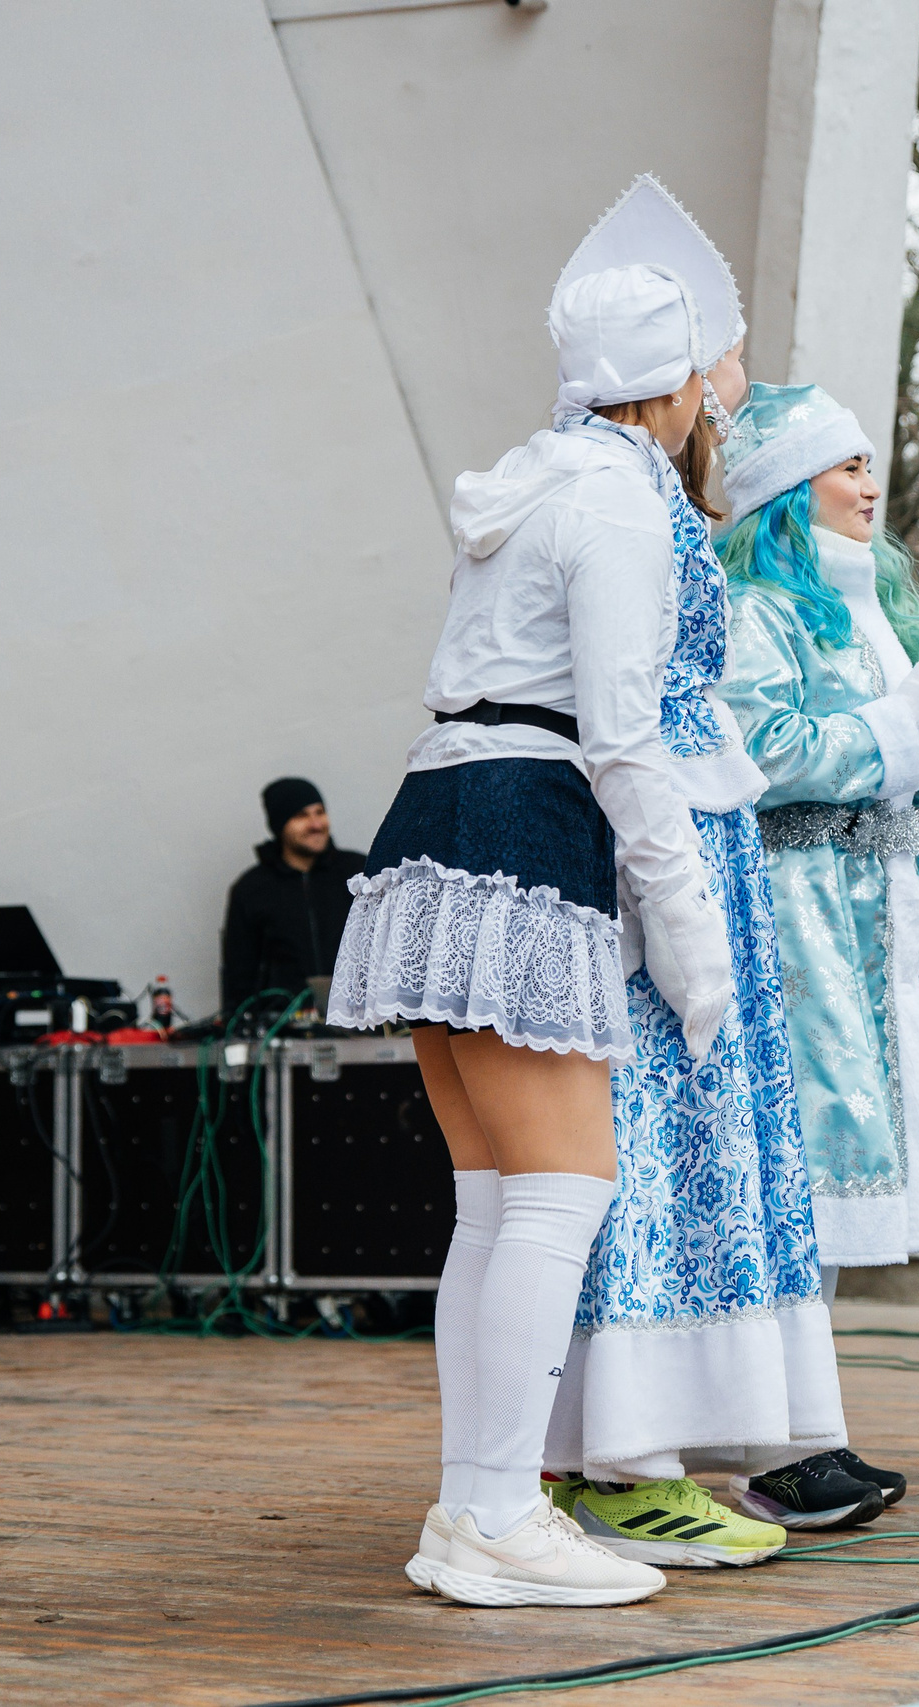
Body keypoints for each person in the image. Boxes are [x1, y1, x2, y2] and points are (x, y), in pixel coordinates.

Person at [327, 233, 749, 1605]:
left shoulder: (529, 484)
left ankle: (475, 1510)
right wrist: (694, 948)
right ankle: (497, 1510)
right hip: (525, 814)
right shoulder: (622, 504)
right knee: (558, 1192)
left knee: (499, 1202)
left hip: (437, 807)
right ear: (669, 380)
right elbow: (624, 736)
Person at [534, 179, 868, 1565]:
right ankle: (620, 1456)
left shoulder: (645, 498)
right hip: (661, 855)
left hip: (697, 843)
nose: (718, 399)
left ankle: (644, 1449)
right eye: (702, 374)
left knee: (707, 1149)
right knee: (657, 1150)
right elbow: (625, 722)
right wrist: (681, 923)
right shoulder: (620, 501)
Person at [711, 380, 919, 1525]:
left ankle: (806, 1435)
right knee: (800, 1172)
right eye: (845, 466)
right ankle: (775, 1445)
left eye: (873, 464)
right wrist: (898, 727)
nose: (869, 484)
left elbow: (905, 758)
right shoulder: (757, 607)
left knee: (826, 1184)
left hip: (872, 906)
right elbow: (763, 751)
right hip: (797, 907)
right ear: (786, 488)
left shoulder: (871, 602)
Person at [220, 778, 370, 1014]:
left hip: (363, 1024)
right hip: (284, 1030)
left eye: (320, 812)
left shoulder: (359, 872)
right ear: (279, 826)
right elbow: (238, 974)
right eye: (301, 816)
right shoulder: (251, 889)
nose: (316, 824)